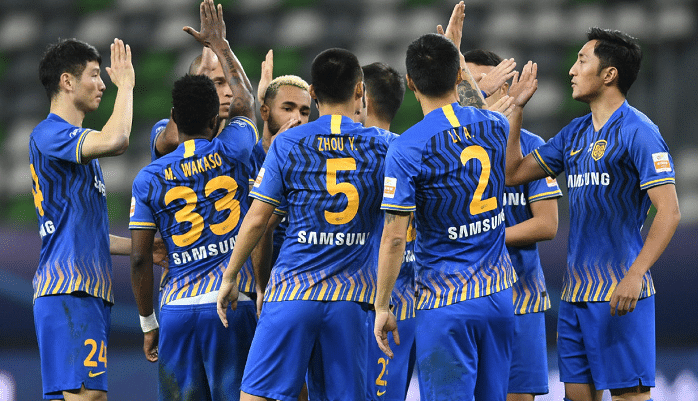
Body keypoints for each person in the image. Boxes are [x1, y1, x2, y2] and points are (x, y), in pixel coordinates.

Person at [505, 28, 681, 401]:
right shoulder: (574, 133)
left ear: (609, 74)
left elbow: (669, 212)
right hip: (575, 295)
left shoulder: (640, 131)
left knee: (629, 396)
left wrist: (636, 274)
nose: (572, 70)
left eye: (582, 61)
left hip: (620, 290)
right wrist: (516, 110)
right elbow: (513, 174)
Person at [217, 47, 396, 401]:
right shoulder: (387, 146)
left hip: (292, 292)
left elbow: (257, 218)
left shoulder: (286, 143)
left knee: (255, 396)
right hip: (351, 299)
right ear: (359, 90)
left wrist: (230, 275)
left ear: (312, 93)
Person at [374, 4, 516, 401]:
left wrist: (383, 305)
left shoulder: (407, 147)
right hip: (499, 297)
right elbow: (470, 109)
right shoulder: (495, 125)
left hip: (446, 300)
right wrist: (455, 53)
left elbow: (394, 237)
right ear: (458, 74)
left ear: (410, 82)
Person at [129, 1, 259, 400]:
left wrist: (148, 322)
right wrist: (221, 46)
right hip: (230, 302)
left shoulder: (149, 176)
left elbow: (139, 258)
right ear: (214, 114)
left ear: (174, 112)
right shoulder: (235, 147)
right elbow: (247, 103)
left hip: (177, 308)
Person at [30, 37, 136, 400]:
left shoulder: (78, 156)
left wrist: (144, 247)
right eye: (94, 74)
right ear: (67, 81)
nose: (103, 84)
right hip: (70, 288)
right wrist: (127, 86)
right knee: (89, 396)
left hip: (82, 291)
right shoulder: (49, 133)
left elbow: (90, 234)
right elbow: (117, 139)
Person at [465, 49, 563, 401]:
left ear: (506, 89)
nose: (476, 91)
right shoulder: (451, 148)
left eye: (485, 83)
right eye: (469, 84)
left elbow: (547, 224)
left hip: (520, 297)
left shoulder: (531, 147)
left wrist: (486, 237)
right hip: (465, 296)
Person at [354, 61, 416, 401]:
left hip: (370, 302)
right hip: (410, 300)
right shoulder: (414, 150)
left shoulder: (350, 152)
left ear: (362, 96)